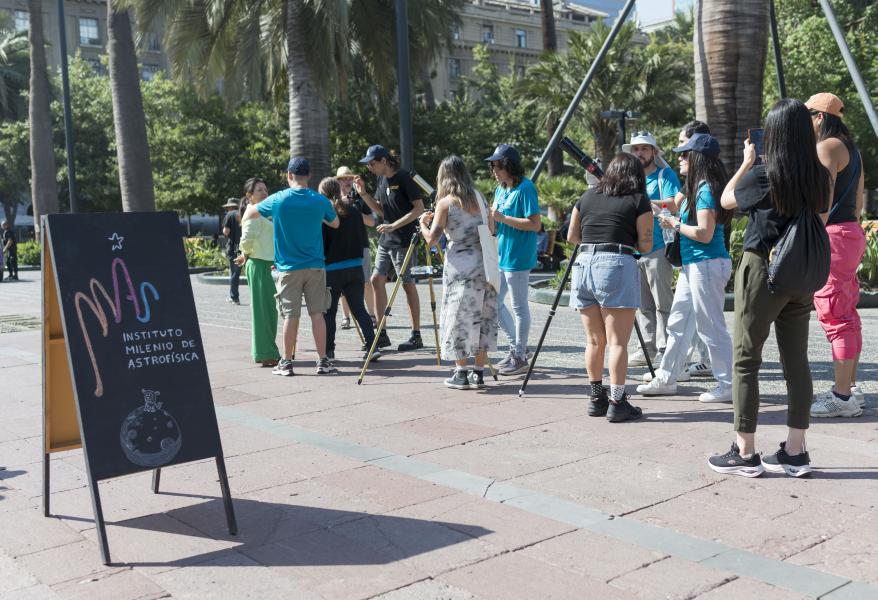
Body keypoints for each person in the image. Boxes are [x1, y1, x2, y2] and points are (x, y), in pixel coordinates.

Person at [710, 98, 831, 478]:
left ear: (773, 134)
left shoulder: (764, 173)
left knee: (746, 358)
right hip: (801, 272)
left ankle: (745, 452)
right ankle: (795, 452)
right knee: (796, 361)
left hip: (763, 268)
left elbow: (725, 200)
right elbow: (820, 219)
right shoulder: (821, 175)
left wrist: (748, 160)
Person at [636, 133, 734, 403]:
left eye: (684, 154)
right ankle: (667, 378)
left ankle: (728, 384)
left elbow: (704, 233)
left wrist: (674, 224)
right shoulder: (696, 187)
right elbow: (668, 205)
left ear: (698, 159)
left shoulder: (705, 190)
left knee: (710, 326)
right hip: (696, 265)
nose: (679, 158)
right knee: (678, 322)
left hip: (706, 264)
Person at [567, 153, 653, 422]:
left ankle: (596, 398)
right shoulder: (638, 200)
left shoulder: (588, 196)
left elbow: (571, 237)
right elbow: (646, 244)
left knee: (594, 340)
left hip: (583, 264)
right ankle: (617, 400)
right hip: (615, 262)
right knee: (618, 342)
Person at [246, 157, 340, 376]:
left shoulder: (278, 199)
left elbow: (251, 213)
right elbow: (335, 223)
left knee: (291, 315)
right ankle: (323, 361)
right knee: (318, 314)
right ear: (308, 176)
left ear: (289, 175)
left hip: (288, 268)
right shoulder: (319, 201)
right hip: (315, 266)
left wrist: (273, 217)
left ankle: (287, 363)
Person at [806, 93, 867, 418]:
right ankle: (851, 389)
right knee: (847, 313)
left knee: (835, 315)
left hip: (832, 236)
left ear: (819, 117)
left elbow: (822, 200)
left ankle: (841, 396)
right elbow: (856, 202)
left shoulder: (826, 147)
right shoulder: (851, 150)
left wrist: (810, 237)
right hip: (851, 233)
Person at [418, 155, 498, 390]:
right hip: (484, 265)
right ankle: (478, 372)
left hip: (460, 267)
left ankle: (461, 372)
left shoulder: (446, 203)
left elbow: (432, 240)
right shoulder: (480, 198)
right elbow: (491, 229)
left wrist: (423, 222)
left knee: (457, 317)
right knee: (482, 317)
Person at [354, 145, 425, 352]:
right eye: (368, 164)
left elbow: (419, 208)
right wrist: (364, 193)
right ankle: (382, 333)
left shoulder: (403, 177)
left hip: (403, 240)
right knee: (376, 279)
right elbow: (380, 209)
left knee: (407, 284)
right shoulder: (381, 180)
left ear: (384, 161)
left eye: (372, 163)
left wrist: (394, 225)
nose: (369, 167)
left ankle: (416, 334)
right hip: (387, 239)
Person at [622, 133, 680, 368]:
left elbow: (674, 203)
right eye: (636, 149)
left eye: (645, 149)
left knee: (662, 302)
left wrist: (642, 200)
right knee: (642, 303)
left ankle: (666, 349)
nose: (640, 153)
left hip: (657, 247)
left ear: (654, 152)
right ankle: (646, 347)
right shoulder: (629, 179)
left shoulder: (665, 174)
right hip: (635, 248)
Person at [485, 143, 541, 376]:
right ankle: (517, 348)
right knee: (494, 303)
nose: (495, 171)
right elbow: (494, 226)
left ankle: (519, 356)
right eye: (493, 166)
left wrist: (502, 217)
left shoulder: (526, 188)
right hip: (502, 253)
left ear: (510, 166)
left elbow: (535, 224)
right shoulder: (500, 189)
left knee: (518, 307)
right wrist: (491, 219)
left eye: (498, 166)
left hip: (518, 256)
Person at [318, 177, 380, 363]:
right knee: (359, 309)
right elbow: (362, 238)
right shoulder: (354, 211)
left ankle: (329, 351)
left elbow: (321, 242)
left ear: (322, 194)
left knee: (329, 312)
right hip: (354, 266)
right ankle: (372, 346)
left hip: (332, 269)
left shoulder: (325, 214)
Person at [234, 178, 280, 367]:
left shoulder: (266, 212)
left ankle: (267, 351)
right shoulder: (253, 213)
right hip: (259, 264)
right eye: (259, 190)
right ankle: (265, 353)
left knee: (271, 311)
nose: (264, 193)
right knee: (263, 311)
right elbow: (246, 239)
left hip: (270, 265)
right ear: (249, 195)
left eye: (265, 189)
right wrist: (244, 254)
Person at [336, 166, 377, 332]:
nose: (346, 181)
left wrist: (353, 211)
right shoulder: (333, 199)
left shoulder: (360, 198)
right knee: (341, 285)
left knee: (366, 281)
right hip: (340, 246)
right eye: (343, 179)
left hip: (361, 244)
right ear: (337, 181)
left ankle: (372, 315)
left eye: (349, 178)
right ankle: (346, 317)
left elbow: (373, 222)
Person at [222, 198, 242, 304]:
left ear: (229, 207)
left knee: (234, 273)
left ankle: (234, 297)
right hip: (243, 248)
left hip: (233, 248)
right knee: (239, 272)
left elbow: (226, 231)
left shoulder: (229, 215)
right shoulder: (242, 214)